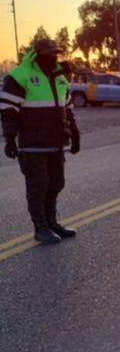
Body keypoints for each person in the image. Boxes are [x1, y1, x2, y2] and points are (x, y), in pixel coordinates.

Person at [1, 39, 81, 244]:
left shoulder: (59, 77)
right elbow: (8, 111)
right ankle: (40, 228)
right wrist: (10, 139)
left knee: (56, 183)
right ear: (37, 54)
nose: (54, 57)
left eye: (56, 53)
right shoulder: (20, 76)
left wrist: (74, 134)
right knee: (39, 186)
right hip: (32, 143)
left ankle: (51, 222)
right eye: (49, 53)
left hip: (56, 142)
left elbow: (68, 109)